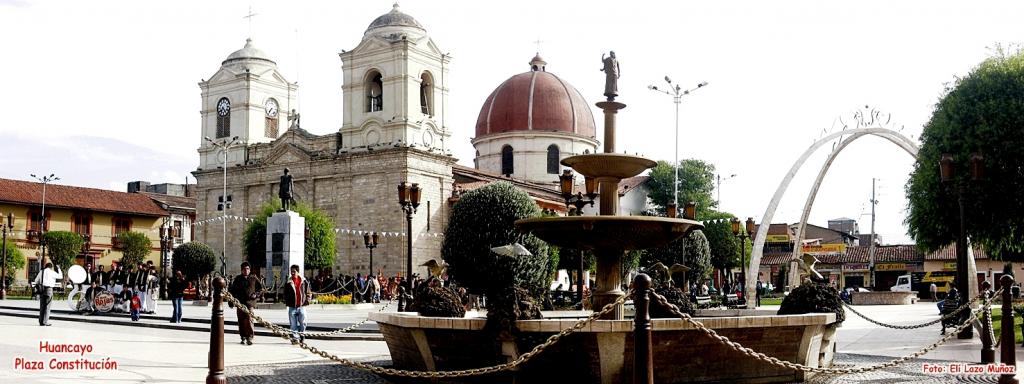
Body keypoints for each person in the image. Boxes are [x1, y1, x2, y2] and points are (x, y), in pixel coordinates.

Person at [229, 262, 263, 345]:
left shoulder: (253, 278)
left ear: (250, 270)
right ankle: (243, 336)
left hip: (250, 303)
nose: (246, 270)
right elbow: (232, 291)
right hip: (240, 303)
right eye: (244, 269)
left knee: (249, 319)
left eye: (247, 269)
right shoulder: (238, 279)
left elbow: (260, 289)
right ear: (241, 270)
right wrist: (231, 302)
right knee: (241, 320)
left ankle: (250, 337)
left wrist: (256, 295)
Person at [282, 264, 311, 342]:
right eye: (291, 271)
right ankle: (295, 337)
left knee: (303, 322)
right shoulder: (288, 282)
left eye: (294, 271)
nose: (292, 273)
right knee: (293, 323)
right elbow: (285, 293)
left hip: (301, 305)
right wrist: (286, 300)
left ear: (298, 272)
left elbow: (308, 292)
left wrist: (308, 300)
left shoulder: (303, 281)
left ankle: (302, 335)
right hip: (292, 306)